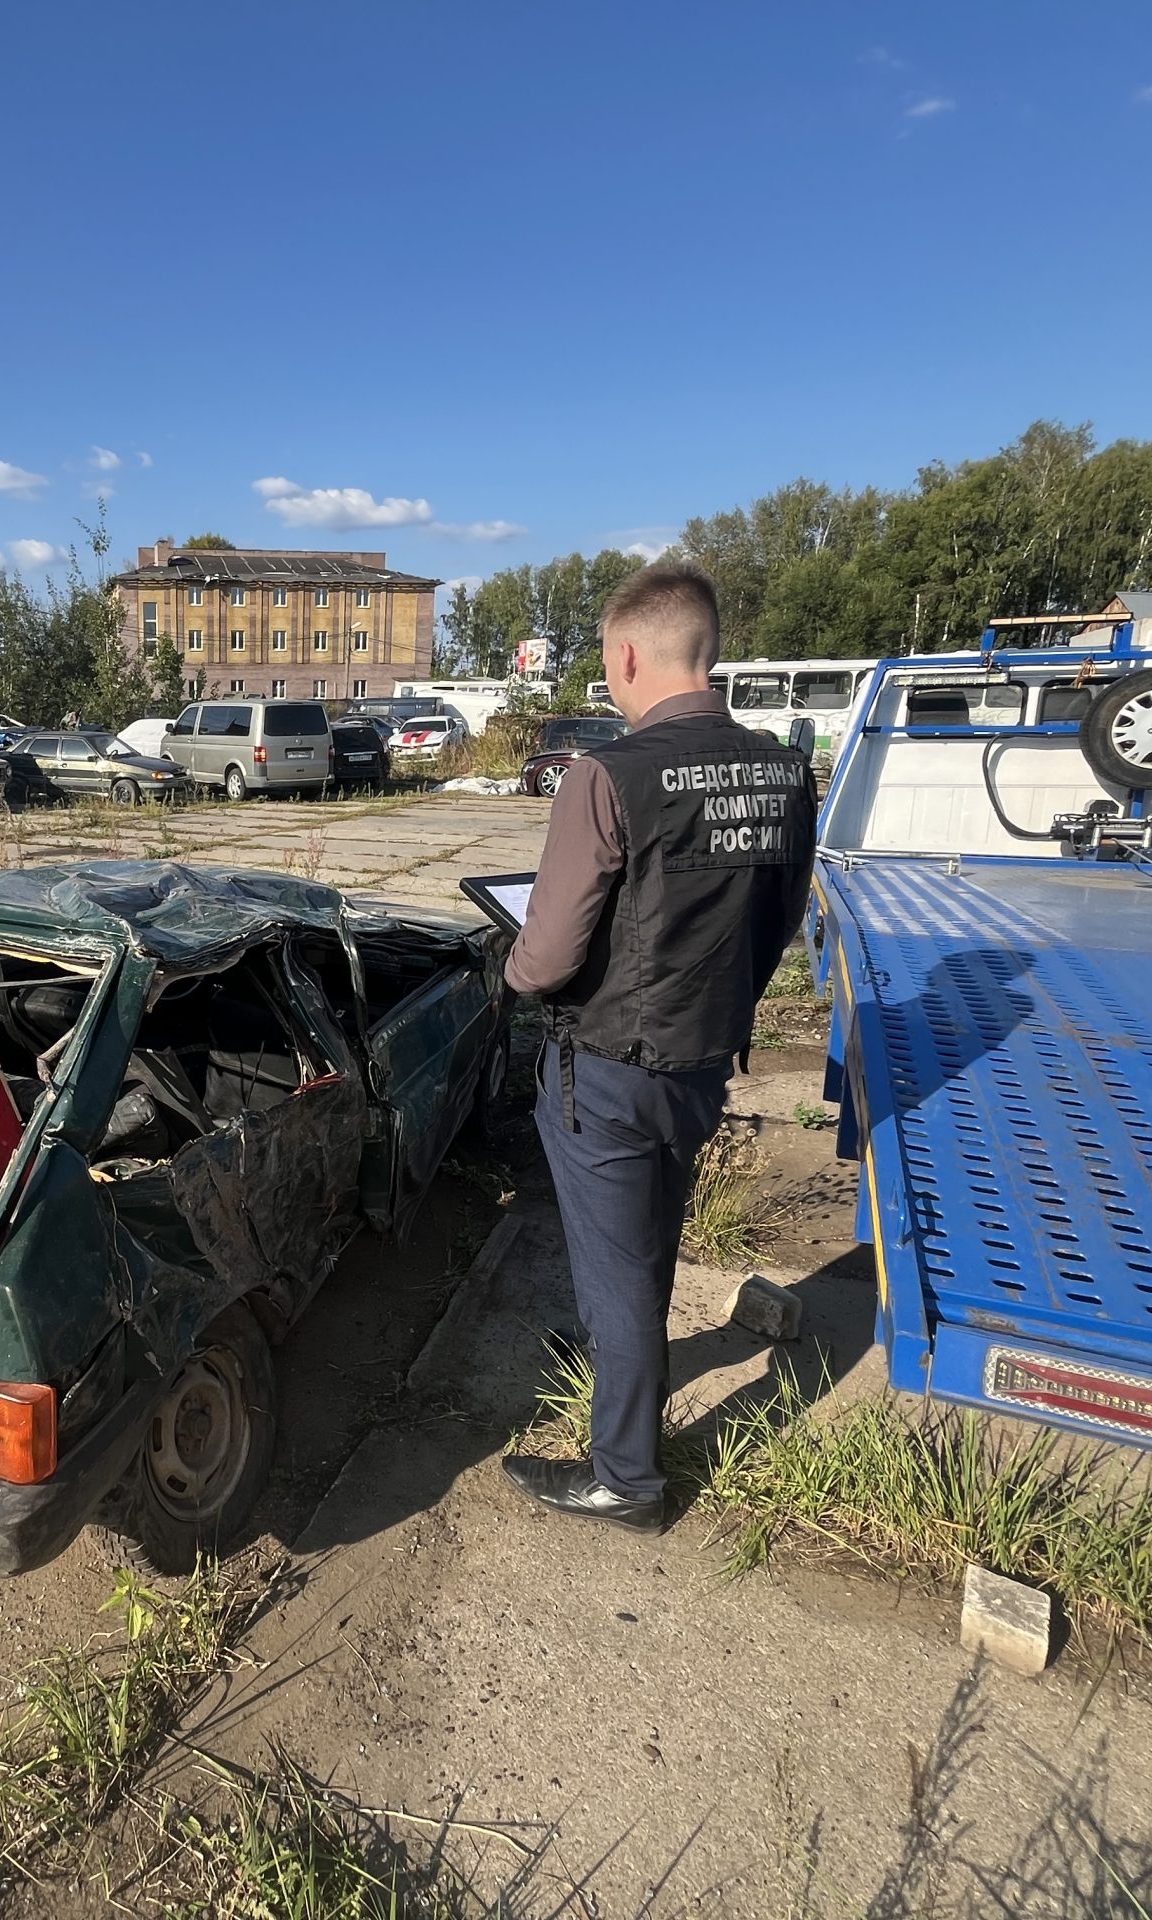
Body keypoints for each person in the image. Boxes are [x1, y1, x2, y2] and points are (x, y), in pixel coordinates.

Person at [500, 563, 815, 1532]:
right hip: (703, 1058)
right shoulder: (782, 770)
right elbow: (778, 922)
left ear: (629, 655)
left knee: (617, 1266)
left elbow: (547, 958)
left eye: (607, 662)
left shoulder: (607, 776)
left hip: (605, 1069)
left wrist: (513, 967)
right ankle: (620, 1361)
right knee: (648, 1240)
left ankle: (626, 1479)